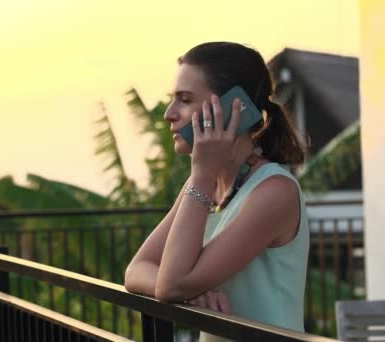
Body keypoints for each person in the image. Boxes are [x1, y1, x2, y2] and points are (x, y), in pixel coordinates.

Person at [123, 42, 310, 340]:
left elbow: (170, 286)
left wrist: (201, 176)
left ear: (234, 107)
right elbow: (136, 270)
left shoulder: (274, 191)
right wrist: (193, 291)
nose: (169, 114)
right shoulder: (205, 185)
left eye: (185, 100)